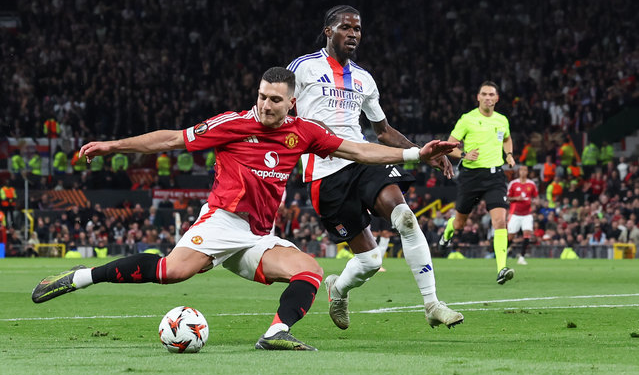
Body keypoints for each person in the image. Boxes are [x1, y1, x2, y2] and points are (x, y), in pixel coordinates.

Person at [31, 67, 458, 351]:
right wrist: (113, 146)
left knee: (308, 271)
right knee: (172, 272)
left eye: (275, 100)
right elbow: (171, 139)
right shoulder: (232, 124)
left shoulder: (304, 132)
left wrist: (416, 154)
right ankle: (77, 278)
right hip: (221, 222)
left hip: (257, 234)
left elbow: (358, 149)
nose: (266, 105)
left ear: (291, 103)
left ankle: (276, 333)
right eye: (262, 97)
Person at [288, 5, 463, 331]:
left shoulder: (364, 79)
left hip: (364, 159)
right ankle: (338, 289)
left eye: (357, 29)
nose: (353, 34)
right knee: (370, 261)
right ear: (329, 31)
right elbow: (279, 110)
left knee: (405, 218)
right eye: (345, 28)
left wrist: (423, 153)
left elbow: (382, 132)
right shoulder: (303, 68)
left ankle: (431, 303)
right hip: (324, 173)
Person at [438, 81, 517, 284]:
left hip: (495, 176)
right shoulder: (467, 119)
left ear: (497, 98)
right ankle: (448, 230)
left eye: (492, 94)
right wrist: (464, 154)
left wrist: (508, 155)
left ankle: (502, 268)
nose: (488, 97)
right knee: (460, 223)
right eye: (484, 94)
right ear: (478, 97)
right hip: (471, 177)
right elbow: (449, 145)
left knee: (500, 220)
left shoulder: (502, 120)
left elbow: (507, 138)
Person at [506, 165, 539, 265]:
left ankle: (522, 257)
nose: (523, 172)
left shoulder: (531, 184)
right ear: (519, 172)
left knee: (527, 234)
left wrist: (535, 203)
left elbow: (536, 197)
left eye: (525, 170)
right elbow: (507, 198)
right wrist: (516, 198)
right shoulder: (513, 184)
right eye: (521, 170)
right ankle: (504, 253)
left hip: (527, 214)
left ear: (527, 172)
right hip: (515, 214)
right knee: (510, 236)